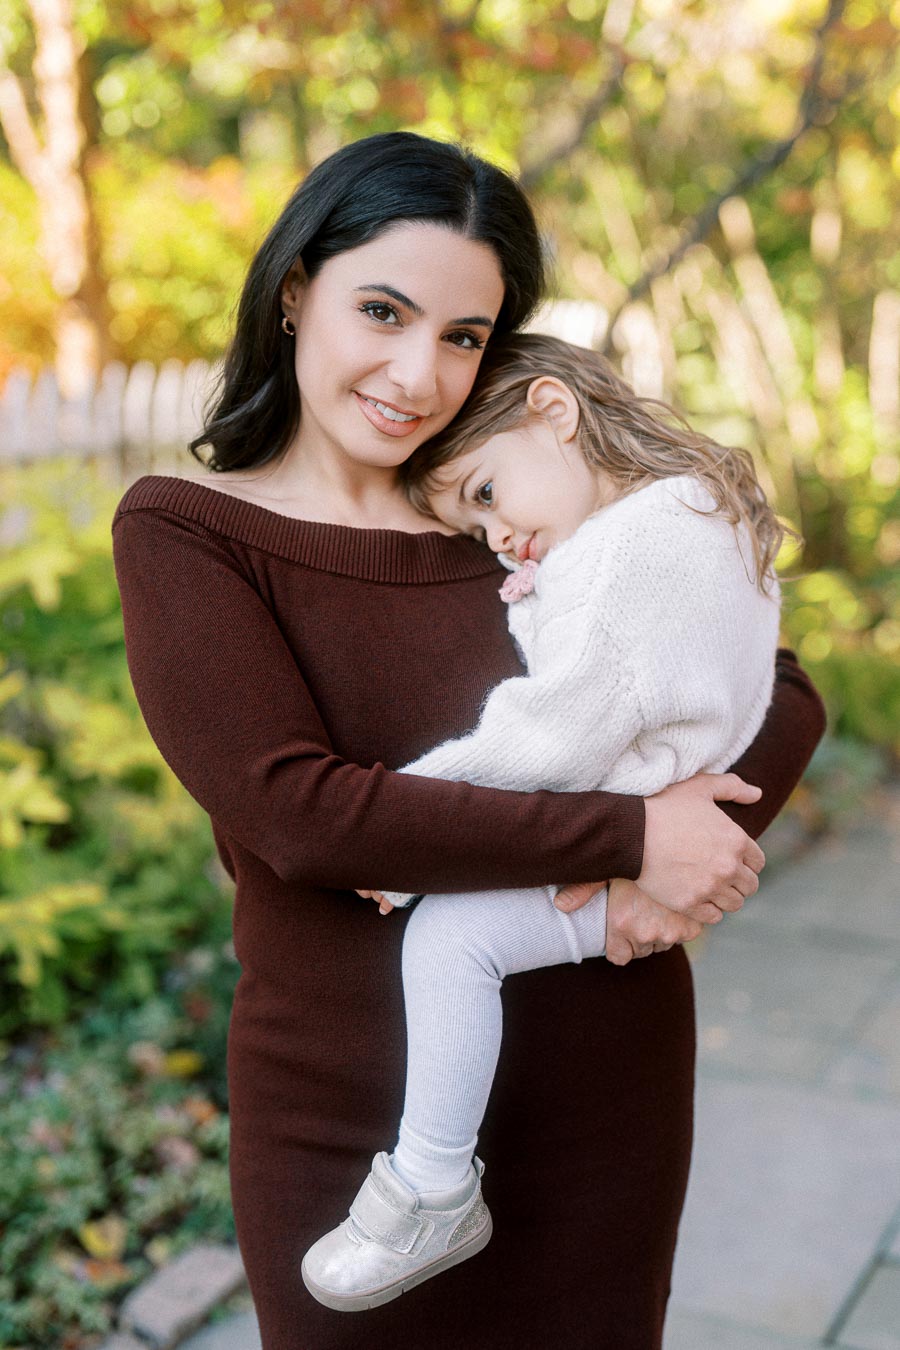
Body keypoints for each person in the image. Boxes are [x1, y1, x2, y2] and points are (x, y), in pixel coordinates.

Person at [111, 131, 825, 1350]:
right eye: (381, 310)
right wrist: (637, 837)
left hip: (607, 1091)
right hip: (354, 1118)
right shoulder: (193, 533)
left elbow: (779, 686)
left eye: (463, 336)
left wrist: (685, 874)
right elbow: (300, 815)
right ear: (296, 292)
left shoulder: (509, 504)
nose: (418, 372)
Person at [300, 330, 784, 1311]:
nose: (499, 540)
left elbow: (550, 737)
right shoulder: (701, 510)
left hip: (620, 851)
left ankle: (431, 1183)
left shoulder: (620, 558)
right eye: (476, 532)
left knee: (445, 943)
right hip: (651, 826)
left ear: (554, 413)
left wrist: (410, 830)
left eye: (486, 495)